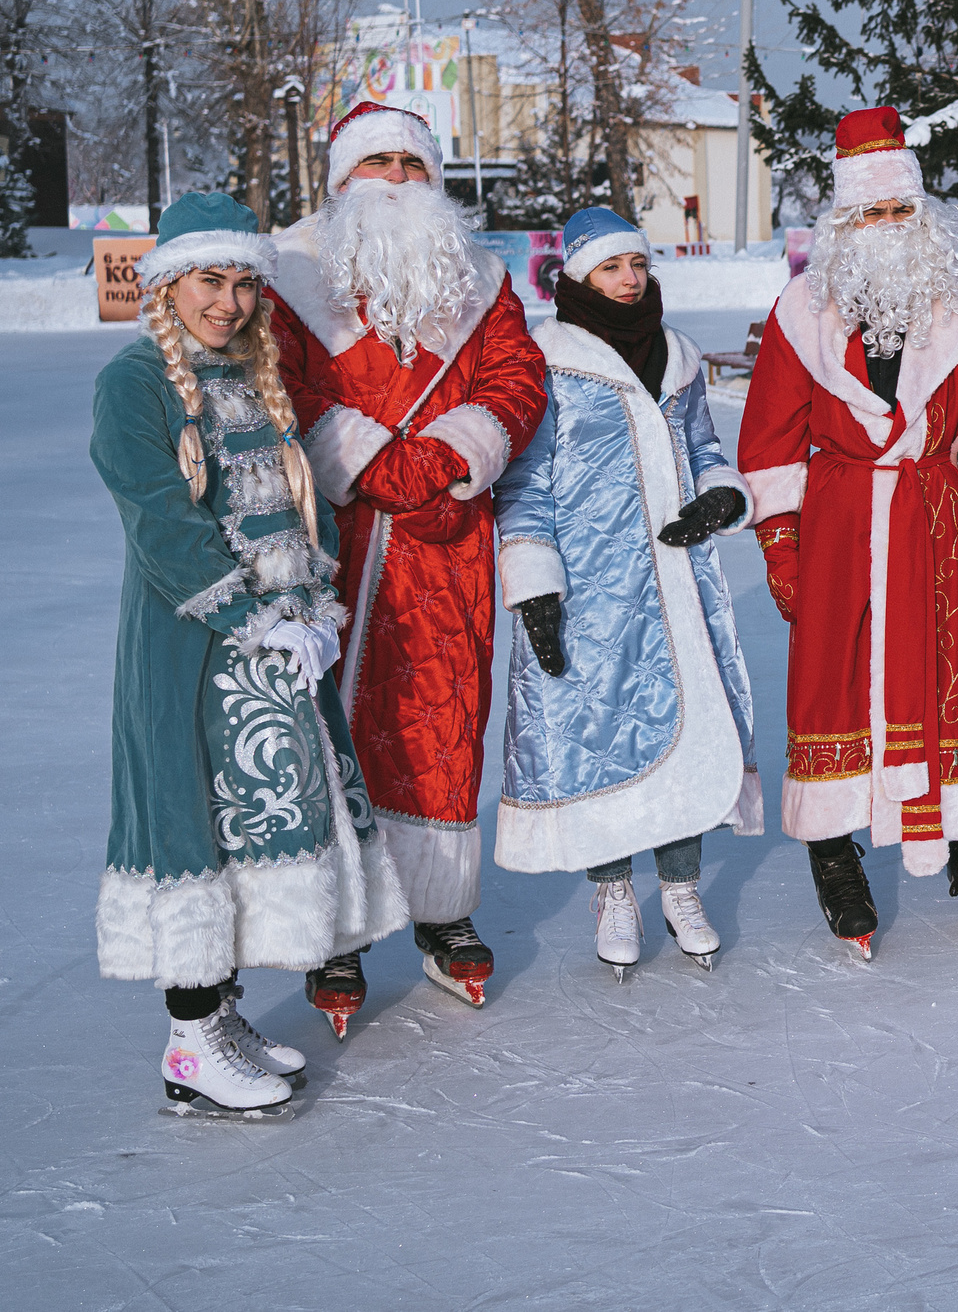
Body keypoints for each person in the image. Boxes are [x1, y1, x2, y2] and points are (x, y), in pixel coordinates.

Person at [92, 193, 409, 1112]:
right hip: (191, 646)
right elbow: (162, 521)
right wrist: (254, 617)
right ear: (167, 283)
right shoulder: (134, 382)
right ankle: (189, 1037)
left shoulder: (252, 375)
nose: (227, 303)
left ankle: (221, 1017)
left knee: (245, 830)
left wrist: (315, 604)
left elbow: (300, 508)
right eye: (208, 281)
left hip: (275, 649)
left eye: (242, 284)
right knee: (193, 820)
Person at [736, 107, 958, 959]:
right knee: (834, 686)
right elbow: (769, 439)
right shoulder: (800, 313)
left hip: (940, 525)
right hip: (841, 528)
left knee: (952, 680)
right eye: (869, 212)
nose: (885, 225)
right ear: (843, 222)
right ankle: (834, 852)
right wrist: (781, 542)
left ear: (924, 215)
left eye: (899, 210)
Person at [266, 102, 549, 1017]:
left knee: (444, 719)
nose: (394, 178)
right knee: (332, 728)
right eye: (375, 162)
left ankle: (441, 910)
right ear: (340, 180)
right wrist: (374, 463)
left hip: (448, 536)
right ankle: (339, 925)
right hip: (336, 539)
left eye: (412, 163)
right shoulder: (288, 273)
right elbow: (278, 382)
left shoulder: (482, 278)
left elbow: (517, 375)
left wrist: (454, 455)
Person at [491, 207, 762, 978]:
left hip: (677, 579)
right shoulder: (548, 360)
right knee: (598, 734)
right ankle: (612, 891)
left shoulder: (676, 355)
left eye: (637, 264)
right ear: (579, 275)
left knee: (689, 725)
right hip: (589, 586)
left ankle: (680, 888)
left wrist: (720, 492)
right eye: (612, 267)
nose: (629, 279)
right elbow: (526, 481)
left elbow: (703, 445)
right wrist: (534, 583)